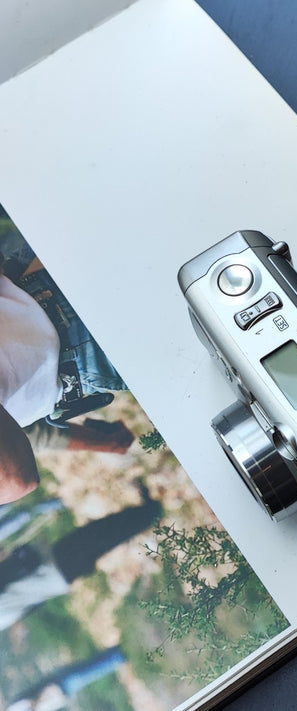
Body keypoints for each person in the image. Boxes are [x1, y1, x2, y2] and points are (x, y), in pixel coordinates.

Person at [0, 218, 130, 505]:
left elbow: (15, 480)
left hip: (66, 318)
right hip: (82, 361)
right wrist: (103, 442)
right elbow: (15, 460)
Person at [0, 495, 162, 631]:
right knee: (102, 532)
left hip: (58, 580)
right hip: (53, 566)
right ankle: (150, 513)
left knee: (105, 537)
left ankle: (146, 513)